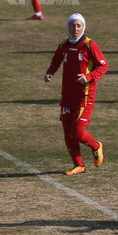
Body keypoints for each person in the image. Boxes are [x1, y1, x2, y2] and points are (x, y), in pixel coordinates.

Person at [44, 13, 108, 175]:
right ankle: (79, 165)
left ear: (83, 27)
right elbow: (56, 61)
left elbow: (103, 66)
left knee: (78, 132)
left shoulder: (89, 45)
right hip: (67, 97)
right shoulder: (63, 46)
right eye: (72, 25)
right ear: (68, 27)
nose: (75, 29)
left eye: (78, 25)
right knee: (68, 134)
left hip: (84, 97)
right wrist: (50, 72)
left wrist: (88, 76)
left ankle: (96, 146)